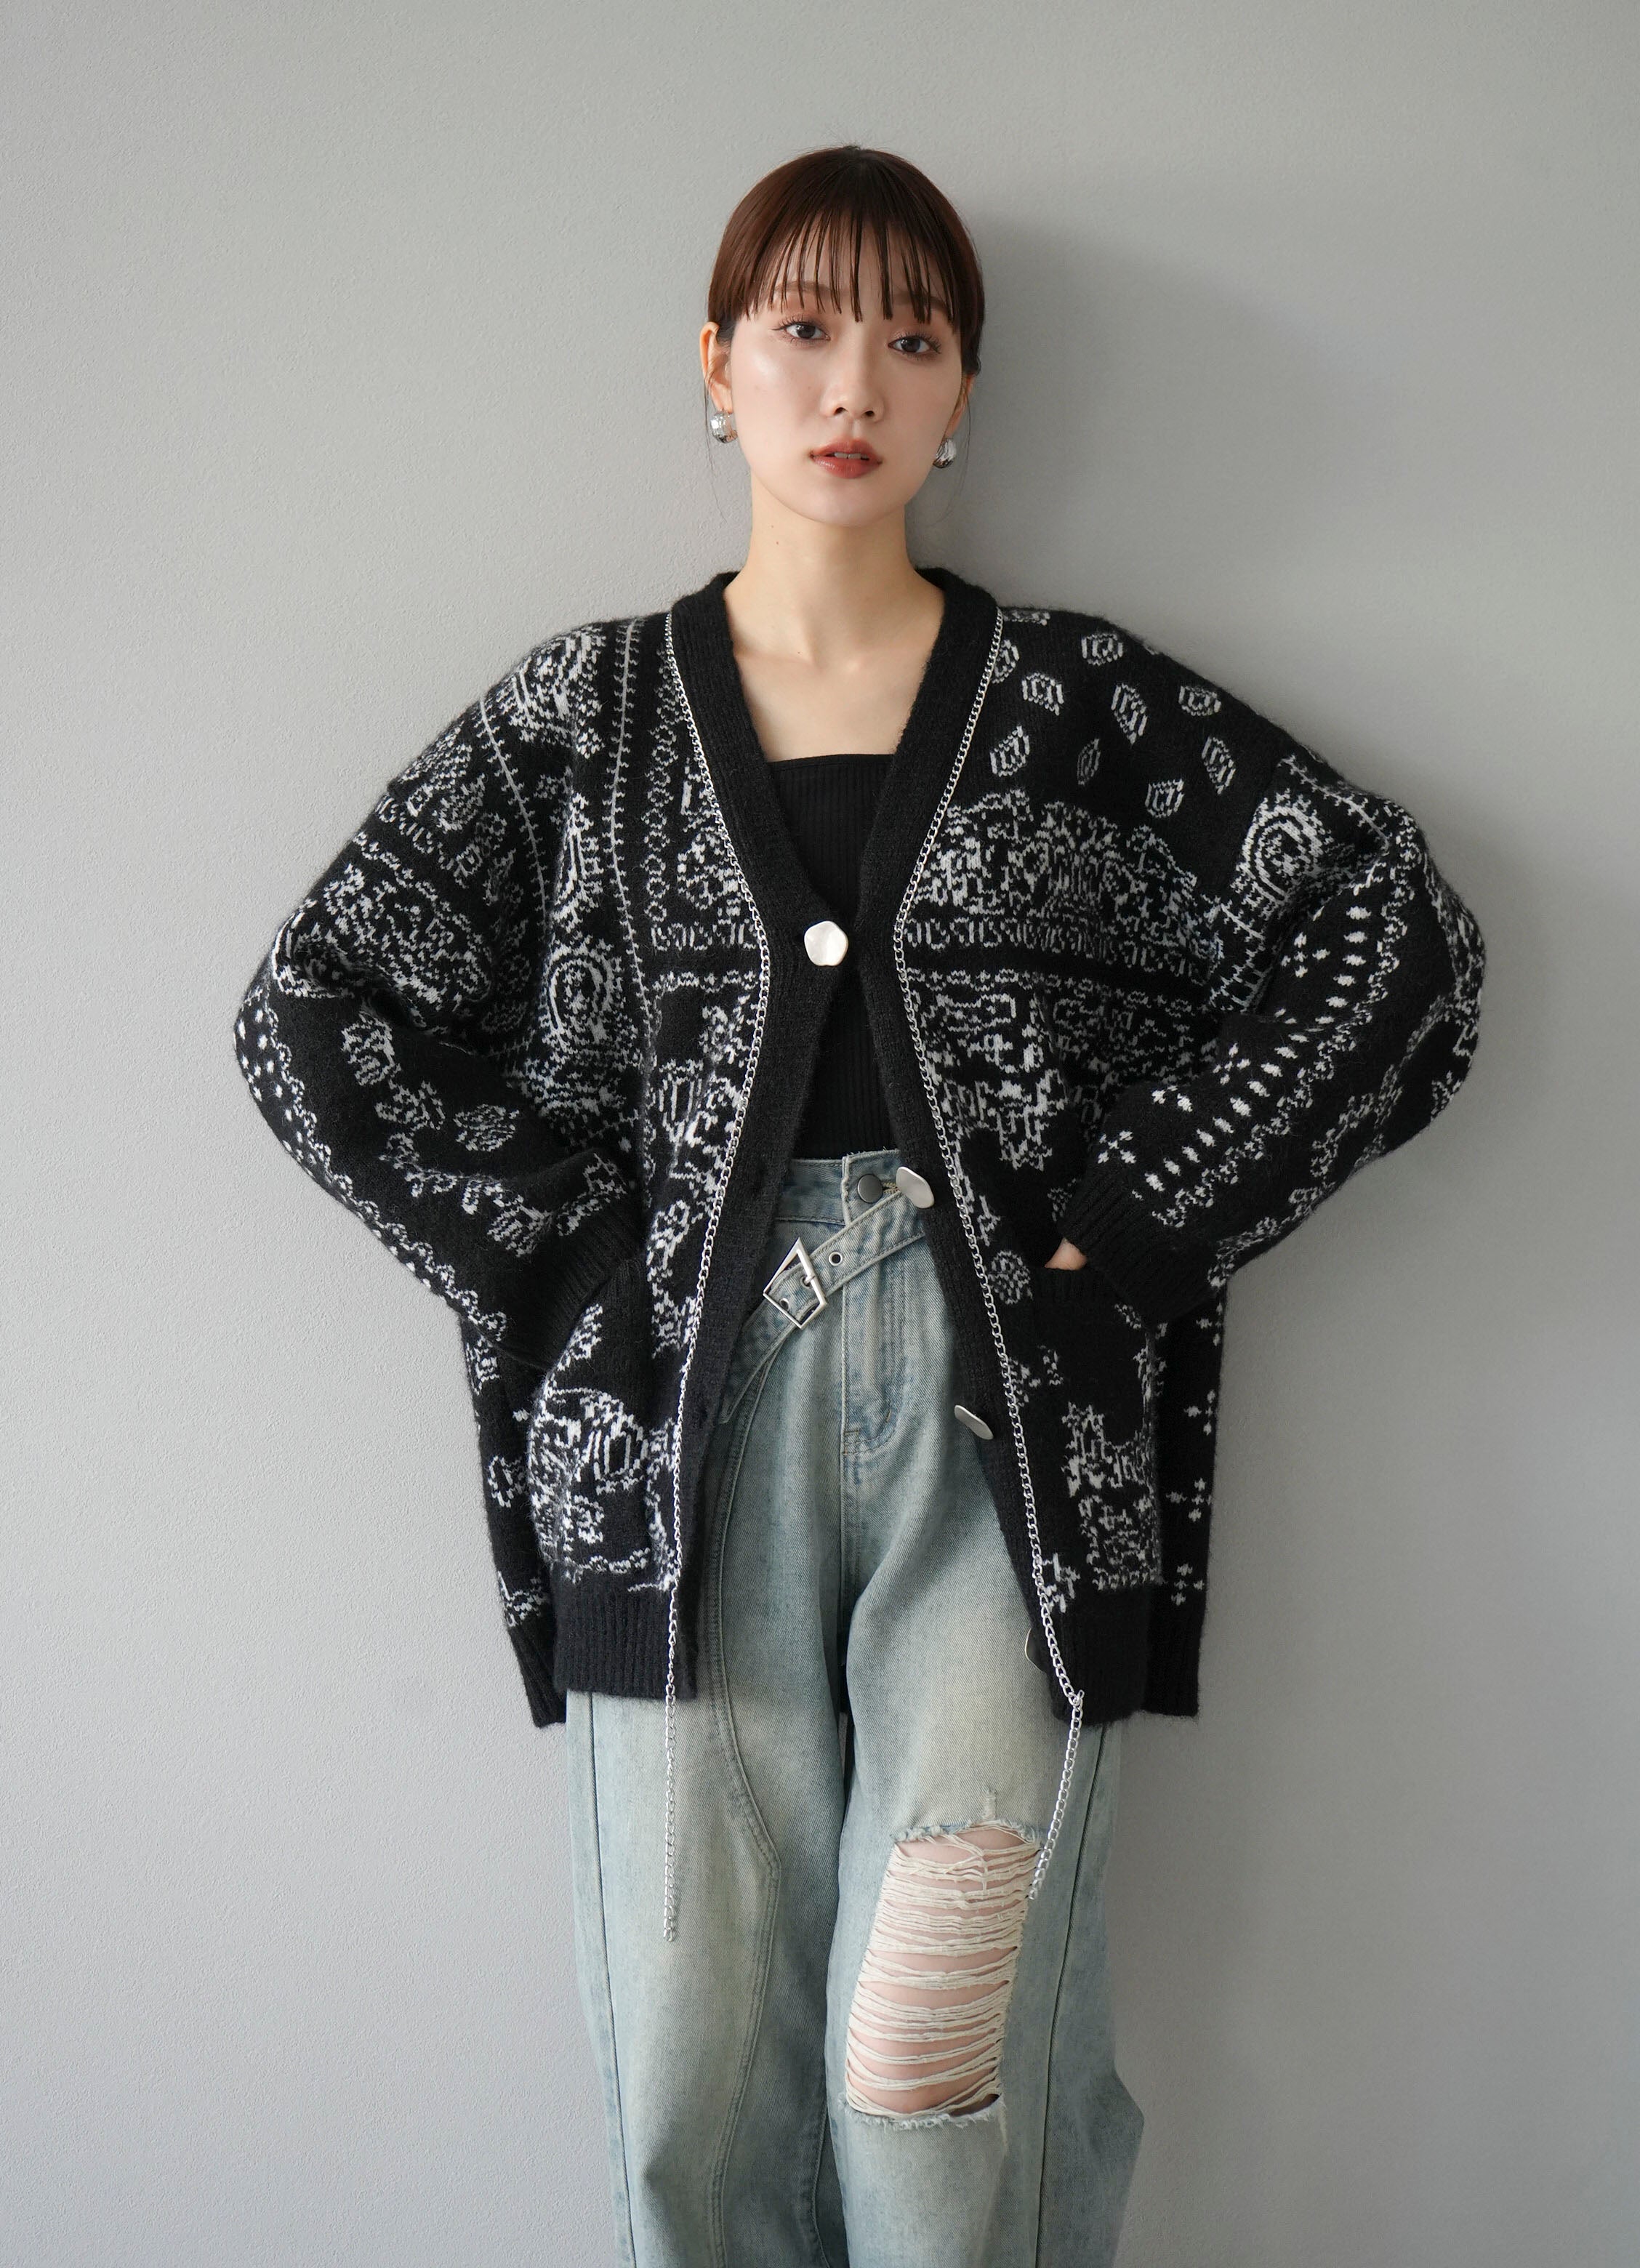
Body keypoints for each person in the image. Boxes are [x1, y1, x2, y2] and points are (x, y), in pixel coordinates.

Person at [235, 145, 1484, 2268]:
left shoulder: (1083, 713)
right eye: (804, 327)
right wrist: (569, 1267)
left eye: (913, 338)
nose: (855, 384)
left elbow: (1393, 943)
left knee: (933, 2065)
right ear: (714, 365)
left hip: (1012, 1446)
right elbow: (317, 1011)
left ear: (963, 392)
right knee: (691, 2079)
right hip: (669, 1448)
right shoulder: (585, 724)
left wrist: (1133, 1230)